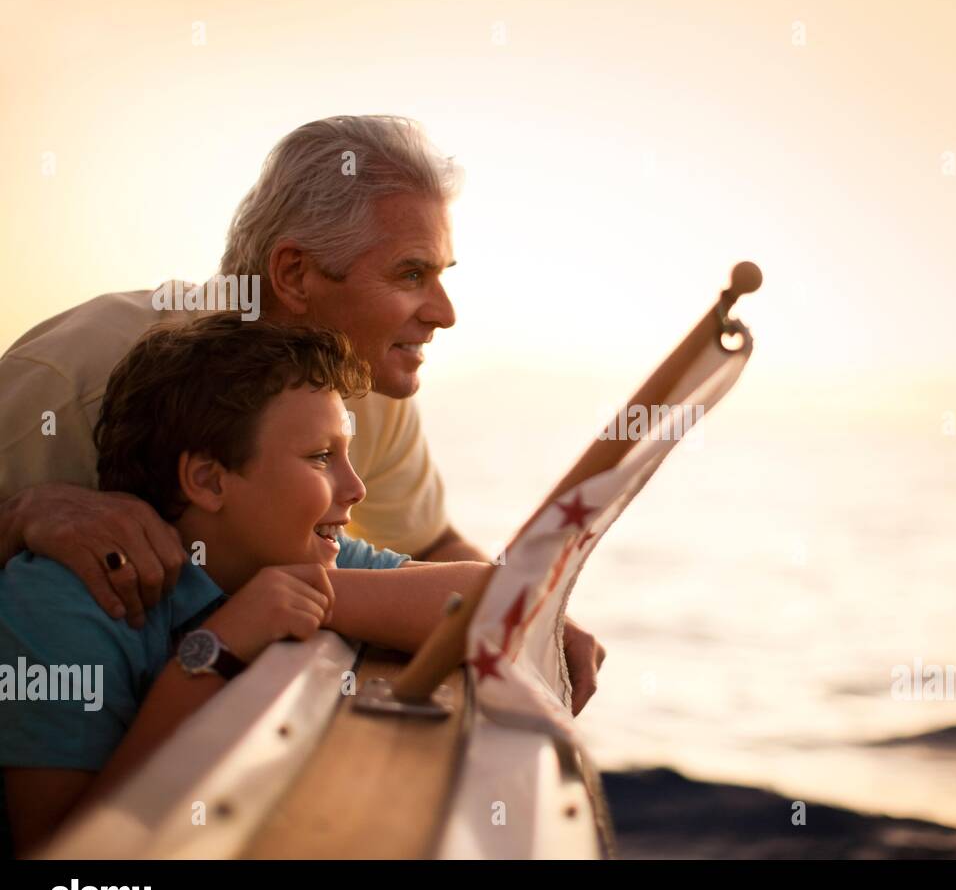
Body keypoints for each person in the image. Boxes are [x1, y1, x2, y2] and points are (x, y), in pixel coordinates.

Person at [0, 115, 604, 713]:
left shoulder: (358, 381)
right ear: (294, 274)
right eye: (411, 274)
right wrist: (24, 512)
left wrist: (539, 615)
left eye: (441, 275)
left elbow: (429, 541)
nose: (444, 313)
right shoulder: (73, 375)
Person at [0, 316, 494, 856]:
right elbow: (62, 860)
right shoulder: (65, 601)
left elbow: (490, 597)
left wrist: (310, 595)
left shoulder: (289, 555)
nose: (356, 488)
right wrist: (217, 650)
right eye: (321, 458)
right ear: (210, 481)